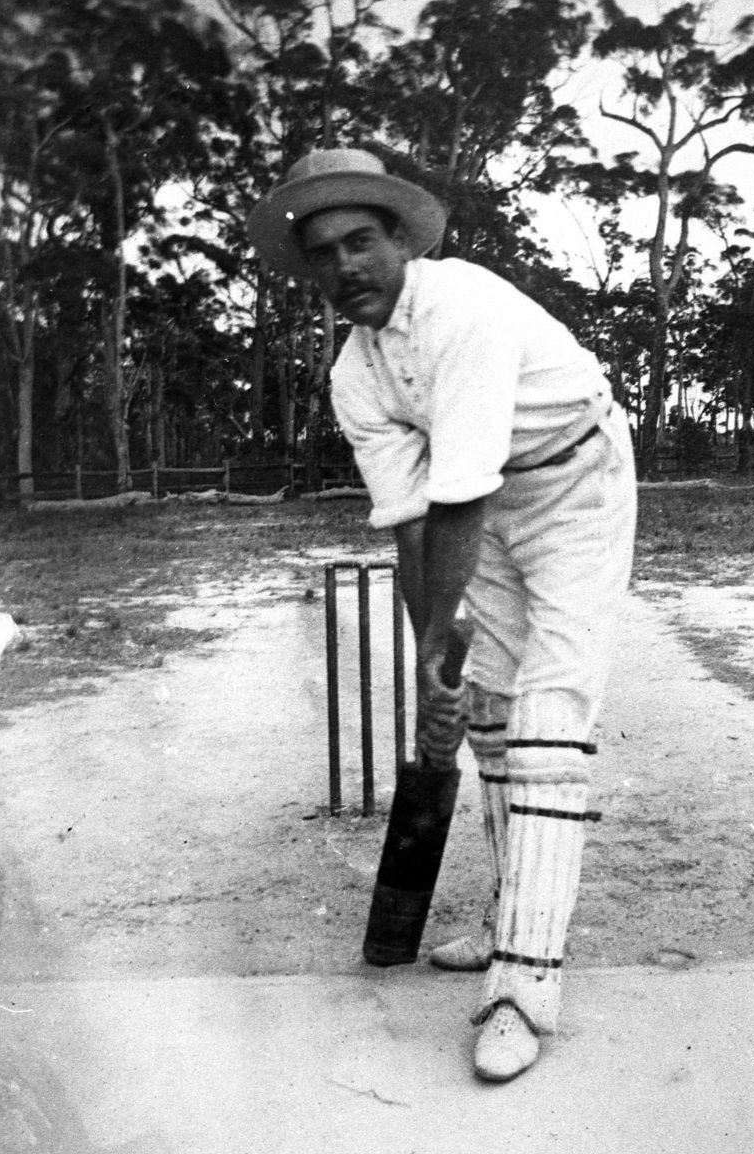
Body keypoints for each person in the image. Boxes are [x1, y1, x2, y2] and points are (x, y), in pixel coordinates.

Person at [247, 149, 636, 1083]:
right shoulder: (355, 374)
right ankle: (512, 922)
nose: (346, 267)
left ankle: (523, 989)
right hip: (485, 508)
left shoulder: (461, 308)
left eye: (361, 241)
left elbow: (458, 496)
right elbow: (413, 521)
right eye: (324, 253)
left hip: (579, 479)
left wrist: (434, 649)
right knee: (490, 714)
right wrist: (435, 660)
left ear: (400, 240)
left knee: (547, 716)